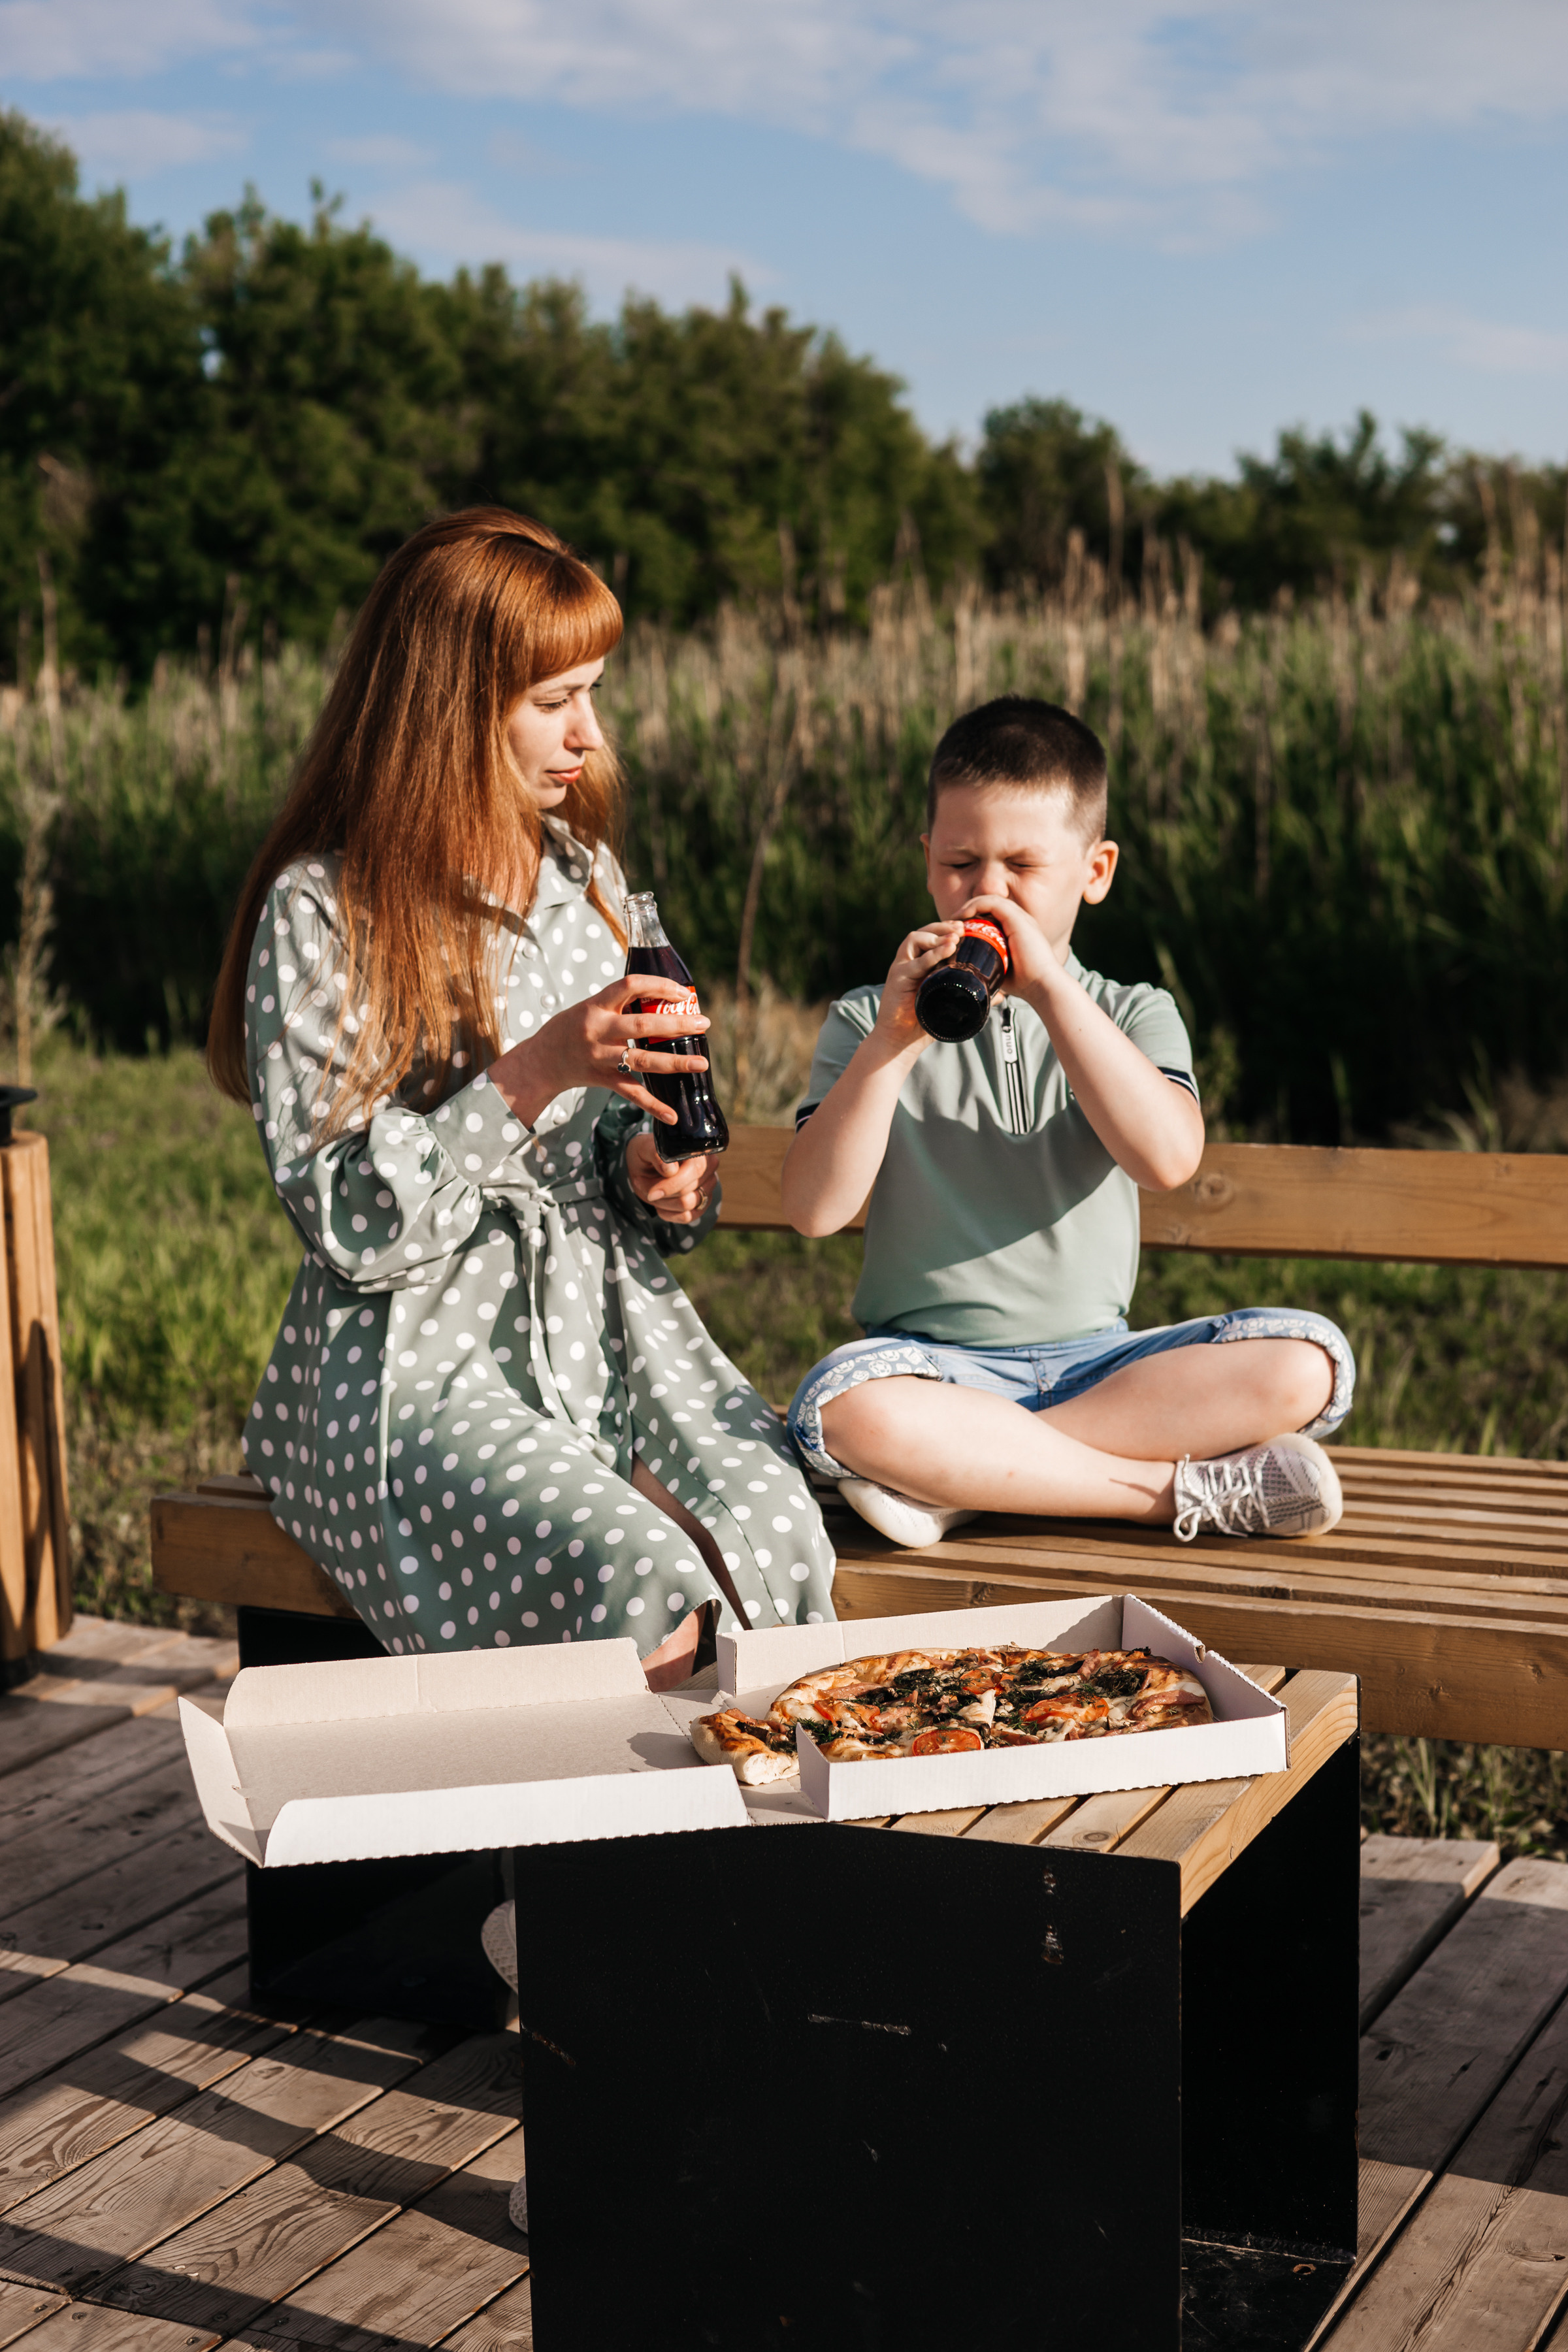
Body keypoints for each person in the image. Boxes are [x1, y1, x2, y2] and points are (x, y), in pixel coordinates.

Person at [207, 508, 836, 1694]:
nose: (589, 736)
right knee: (641, 1572)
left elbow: (622, 1155)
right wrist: (536, 1068)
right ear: (451, 705)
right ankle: (586, 1876)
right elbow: (351, 1221)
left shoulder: (586, 881)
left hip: (614, 1330)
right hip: (416, 1362)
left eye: (592, 693)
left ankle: (764, 1859)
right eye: (555, 702)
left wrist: (652, 1171)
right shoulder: (325, 908)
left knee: (773, 1526)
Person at [781, 695, 1354, 1550]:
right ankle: (1167, 1494)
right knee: (840, 1407)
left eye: (1022, 865)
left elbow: (1166, 1159)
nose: (986, 891)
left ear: (1095, 870)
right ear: (927, 861)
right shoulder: (871, 1020)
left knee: (1311, 1359)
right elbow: (814, 1209)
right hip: (938, 1370)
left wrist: (1053, 990)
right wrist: (897, 1042)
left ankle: (966, 1479)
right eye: (960, 862)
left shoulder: (1131, 1011)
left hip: (1102, 1367)